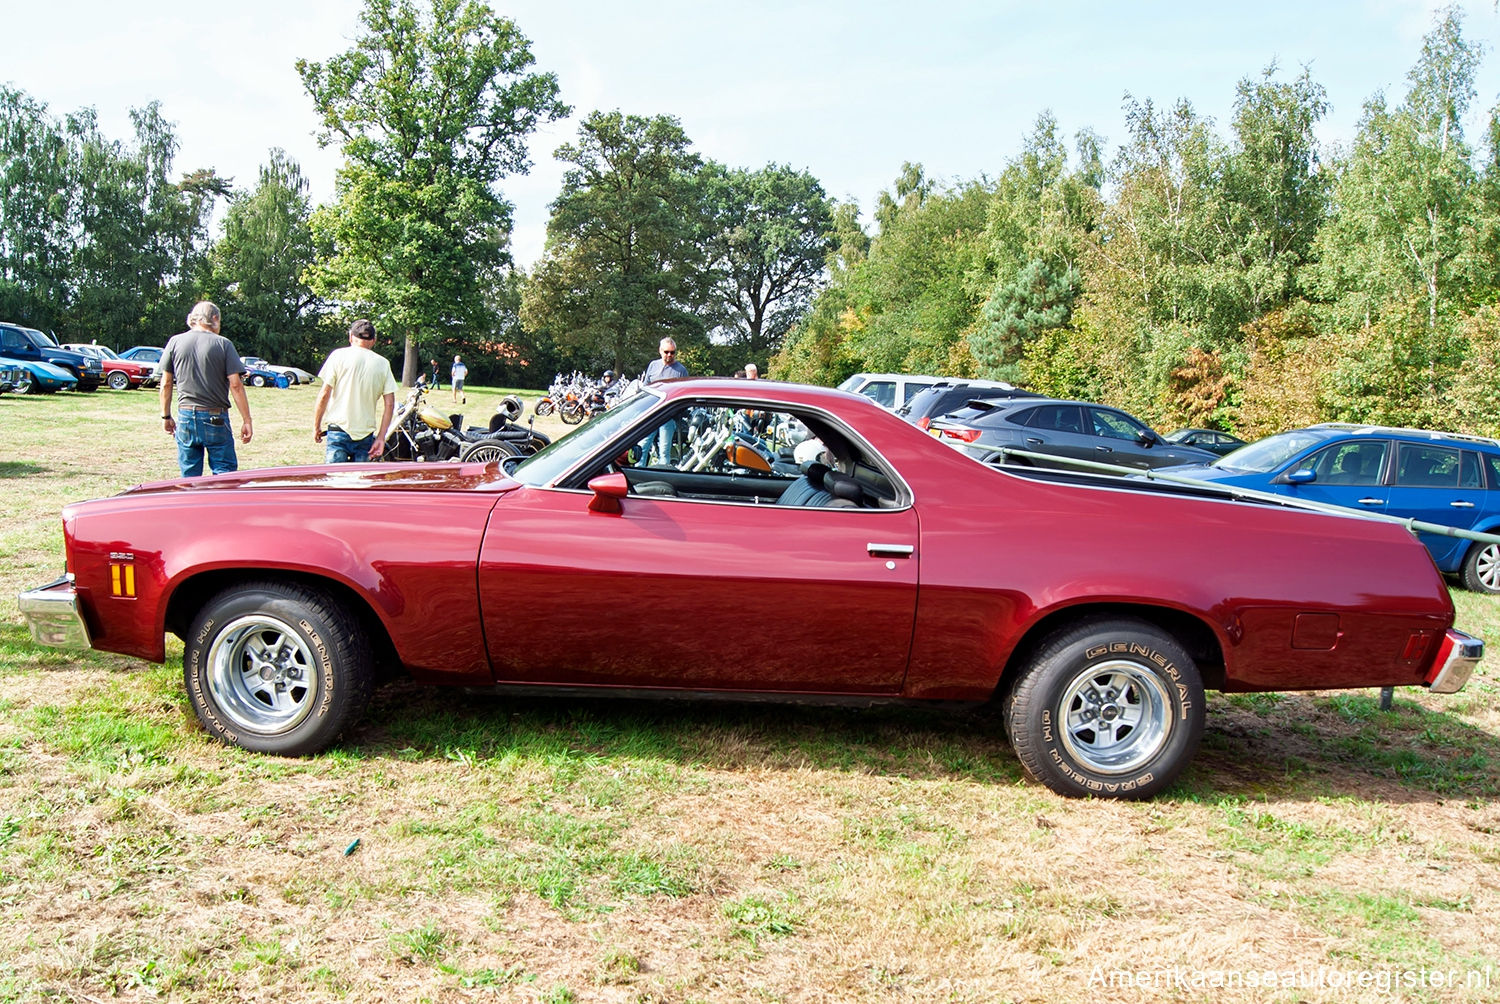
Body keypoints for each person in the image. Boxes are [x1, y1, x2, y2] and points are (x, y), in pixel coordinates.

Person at [159, 300, 253, 477]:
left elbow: (166, 383)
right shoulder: (223, 344)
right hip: (215, 417)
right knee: (225, 476)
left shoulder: (175, 342)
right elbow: (236, 385)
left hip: (185, 416)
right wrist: (247, 420)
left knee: (189, 478)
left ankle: (191, 503)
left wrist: (166, 416)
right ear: (215, 319)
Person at [313, 319, 398, 463]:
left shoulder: (338, 356)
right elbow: (389, 404)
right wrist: (381, 437)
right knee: (359, 483)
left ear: (351, 336)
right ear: (374, 340)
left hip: (338, 429)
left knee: (335, 481)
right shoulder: (383, 363)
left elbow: (324, 394)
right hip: (365, 434)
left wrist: (316, 426)